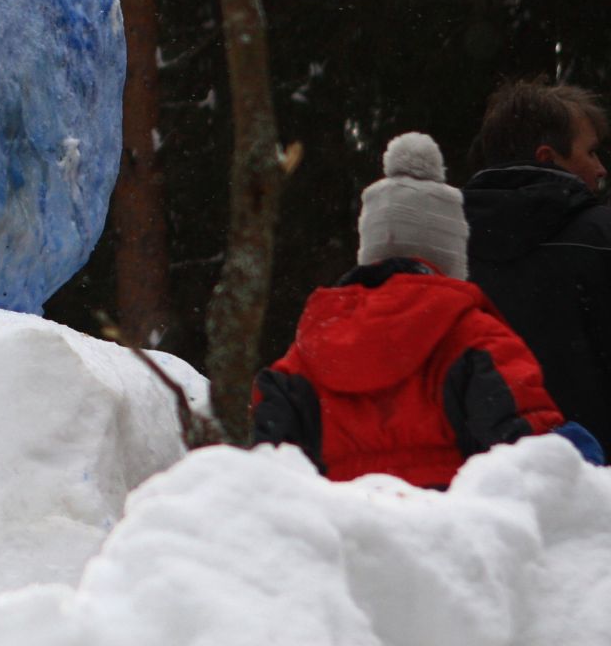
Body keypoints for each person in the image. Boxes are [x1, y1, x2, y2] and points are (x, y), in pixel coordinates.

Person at [252, 132, 600, 488]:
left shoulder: (306, 350)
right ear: (451, 251)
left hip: (347, 534)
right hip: (447, 531)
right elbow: (530, 456)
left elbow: (266, 464)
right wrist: (582, 451)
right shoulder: (477, 337)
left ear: (369, 246)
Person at [463, 79, 611, 442]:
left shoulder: (448, 249)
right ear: (548, 157)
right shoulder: (603, 237)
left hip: (488, 481)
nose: (601, 168)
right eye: (591, 152)